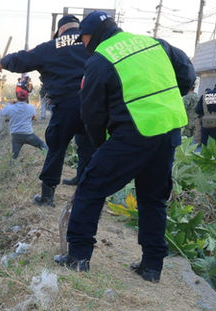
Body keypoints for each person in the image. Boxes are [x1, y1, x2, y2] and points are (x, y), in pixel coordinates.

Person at [58, 11, 195, 282]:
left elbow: (92, 113)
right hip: (168, 130)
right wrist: (161, 99)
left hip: (133, 135)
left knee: (91, 186)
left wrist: (100, 145)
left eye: (83, 39)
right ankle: (152, 266)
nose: (83, 45)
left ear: (92, 35)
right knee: (153, 198)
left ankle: (78, 256)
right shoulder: (155, 43)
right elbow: (187, 74)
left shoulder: (101, 59)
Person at [0, 14, 91, 205]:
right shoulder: (92, 44)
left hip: (66, 105)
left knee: (56, 147)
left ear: (60, 30)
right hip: (93, 104)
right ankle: (85, 192)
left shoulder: (52, 46)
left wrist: (3, 62)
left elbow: (22, 59)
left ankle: (47, 196)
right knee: (89, 147)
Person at [0, 88, 47, 159]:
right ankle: (51, 157)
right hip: (28, 134)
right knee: (43, 145)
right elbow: (33, 117)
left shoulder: (11, 108)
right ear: (27, 98)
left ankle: (11, 167)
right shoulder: (31, 108)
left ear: (17, 98)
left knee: (14, 156)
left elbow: (2, 113)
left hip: (16, 135)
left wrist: (9, 104)